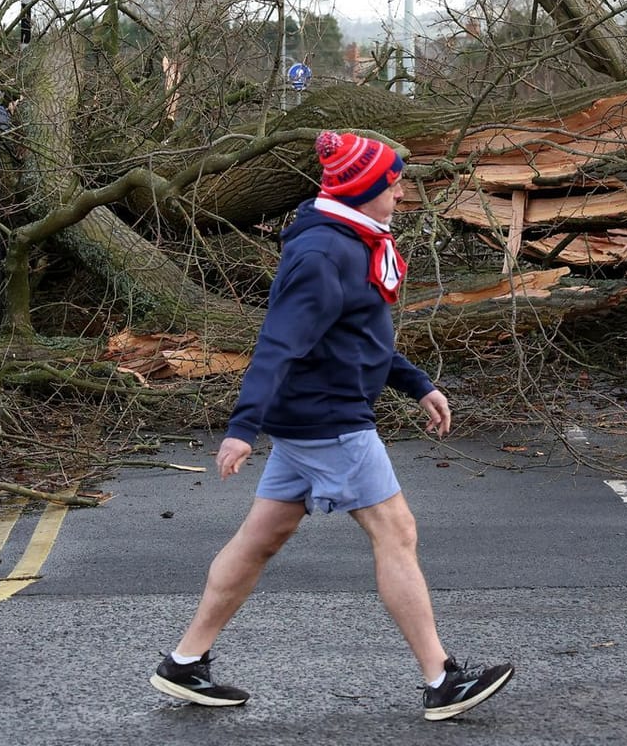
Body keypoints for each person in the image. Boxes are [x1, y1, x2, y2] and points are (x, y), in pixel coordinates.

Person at [149, 130, 515, 722]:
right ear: (364, 188)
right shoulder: (325, 254)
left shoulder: (353, 240)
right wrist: (243, 427)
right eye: (391, 183)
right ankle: (441, 678)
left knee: (259, 539)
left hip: (314, 414)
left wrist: (417, 383)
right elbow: (277, 343)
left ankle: (185, 662)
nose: (399, 192)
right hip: (329, 419)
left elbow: (355, 339)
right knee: (396, 533)